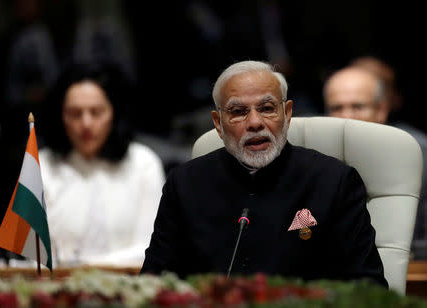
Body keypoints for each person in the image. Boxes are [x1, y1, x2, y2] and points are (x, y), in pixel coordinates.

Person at [141, 60, 387, 287]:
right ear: (218, 123)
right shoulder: (184, 184)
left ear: (287, 113)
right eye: (238, 112)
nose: (255, 122)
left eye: (267, 108)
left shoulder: (334, 181)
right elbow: (153, 283)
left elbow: (368, 287)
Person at [38, 62, 165, 268]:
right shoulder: (41, 165)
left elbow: (151, 247)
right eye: (75, 113)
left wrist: (87, 267)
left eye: (96, 112)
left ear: (113, 114)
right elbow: (35, 253)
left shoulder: (143, 163)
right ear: (61, 117)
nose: (86, 123)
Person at [323, 61, 427, 259]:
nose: (346, 117)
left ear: (381, 110)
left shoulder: (418, 157)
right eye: (337, 108)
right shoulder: (314, 159)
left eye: (358, 106)